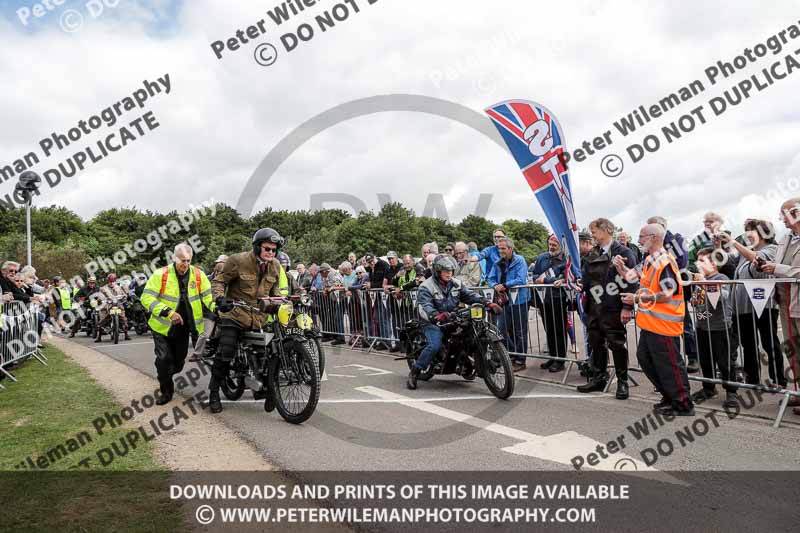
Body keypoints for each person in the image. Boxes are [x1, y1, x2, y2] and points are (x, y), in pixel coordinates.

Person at [618, 223, 694, 416]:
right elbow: (634, 279)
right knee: (645, 359)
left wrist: (636, 299)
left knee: (670, 365)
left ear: (653, 238)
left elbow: (667, 294)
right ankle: (669, 396)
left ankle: (683, 404)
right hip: (651, 324)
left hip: (664, 325)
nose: (639, 240)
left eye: (642, 236)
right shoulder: (649, 260)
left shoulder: (664, 261)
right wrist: (620, 268)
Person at [210, 228, 284, 413]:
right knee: (226, 351)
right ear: (257, 246)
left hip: (258, 317)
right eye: (267, 249)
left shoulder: (275, 265)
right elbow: (219, 281)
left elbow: (275, 292)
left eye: (274, 250)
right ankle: (214, 393)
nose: (271, 253)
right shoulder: (238, 260)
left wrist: (280, 303)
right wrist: (220, 299)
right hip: (235, 313)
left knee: (270, 352)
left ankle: (269, 390)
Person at [140, 243, 215, 405]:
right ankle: (166, 391)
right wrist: (168, 312)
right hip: (161, 327)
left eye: (188, 261)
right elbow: (146, 298)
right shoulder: (161, 274)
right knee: (164, 359)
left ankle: (165, 372)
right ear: (174, 258)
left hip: (183, 328)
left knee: (178, 364)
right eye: (182, 260)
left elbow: (209, 298)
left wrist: (218, 308)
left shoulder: (198, 275)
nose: (185, 264)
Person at [408, 255, 497, 389]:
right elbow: (425, 307)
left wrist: (488, 303)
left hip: (452, 317)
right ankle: (415, 371)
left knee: (470, 334)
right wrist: (436, 315)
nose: (449, 273)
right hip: (432, 321)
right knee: (434, 346)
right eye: (445, 270)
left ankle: (468, 363)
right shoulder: (426, 286)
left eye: (451, 270)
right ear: (437, 271)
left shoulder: (456, 283)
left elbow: (470, 296)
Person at [578, 218, 637, 399]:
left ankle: (622, 382)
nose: (592, 235)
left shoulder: (624, 252)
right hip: (593, 306)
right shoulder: (593, 253)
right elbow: (587, 278)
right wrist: (580, 285)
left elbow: (631, 280)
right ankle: (599, 378)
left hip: (613, 306)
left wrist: (627, 307)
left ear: (605, 230)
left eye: (594, 232)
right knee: (596, 343)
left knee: (616, 344)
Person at [722, 219, 785, 389]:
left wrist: (733, 242)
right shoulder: (745, 252)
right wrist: (720, 247)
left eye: (751, 231)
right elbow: (730, 263)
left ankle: (778, 380)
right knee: (748, 344)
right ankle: (752, 379)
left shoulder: (772, 249)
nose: (748, 235)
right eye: (747, 231)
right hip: (743, 307)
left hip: (764, 303)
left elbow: (758, 260)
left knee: (769, 343)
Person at [762, 198, 800, 415]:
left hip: (797, 300)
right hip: (785, 301)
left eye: (784, 214)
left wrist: (778, 268)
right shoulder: (786, 238)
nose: (781, 219)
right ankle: (798, 390)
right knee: (793, 349)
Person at [647, 215, 697, 372]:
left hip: (674, 291)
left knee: (685, 325)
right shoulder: (650, 244)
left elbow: (681, 262)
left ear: (661, 226)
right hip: (657, 292)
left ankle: (693, 357)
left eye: (651, 227)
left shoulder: (676, 240)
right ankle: (668, 359)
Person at [691, 248, 738, 408]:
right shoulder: (700, 280)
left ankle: (731, 391)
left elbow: (721, 297)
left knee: (724, 361)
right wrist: (695, 296)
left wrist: (703, 283)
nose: (698, 264)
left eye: (702, 261)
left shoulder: (721, 278)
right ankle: (708, 388)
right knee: (705, 360)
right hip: (702, 325)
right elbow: (696, 301)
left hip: (719, 326)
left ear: (713, 264)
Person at [488, 237, 530, 371]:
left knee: (520, 331)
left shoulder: (520, 260)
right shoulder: (497, 262)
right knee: (500, 330)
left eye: (503, 248)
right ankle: (512, 352)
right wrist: (495, 285)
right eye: (499, 248)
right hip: (504, 301)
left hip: (519, 300)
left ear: (511, 249)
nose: (500, 251)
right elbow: (490, 278)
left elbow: (521, 279)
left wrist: (505, 285)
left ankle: (520, 360)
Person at [529, 235, 568, 373]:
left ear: (560, 246)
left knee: (559, 329)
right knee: (549, 329)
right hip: (543, 298)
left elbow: (565, 277)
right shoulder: (542, 257)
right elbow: (534, 275)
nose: (551, 247)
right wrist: (542, 279)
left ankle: (560, 360)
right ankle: (552, 356)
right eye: (550, 244)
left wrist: (545, 280)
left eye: (554, 245)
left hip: (558, 298)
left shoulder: (565, 258)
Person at [95, 273, 131, 342]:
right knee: (102, 319)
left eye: (113, 281)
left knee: (124, 319)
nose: (111, 283)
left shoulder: (119, 288)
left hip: (118, 305)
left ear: (115, 281)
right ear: (108, 281)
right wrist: (100, 299)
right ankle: (99, 336)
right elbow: (100, 296)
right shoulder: (103, 288)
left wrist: (125, 297)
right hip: (107, 305)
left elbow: (124, 295)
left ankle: (126, 335)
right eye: (110, 281)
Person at [365, 253, 391, 349]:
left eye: (372, 261)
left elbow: (386, 281)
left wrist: (371, 285)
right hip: (376, 296)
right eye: (369, 262)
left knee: (384, 319)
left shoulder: (383, 264)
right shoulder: (371, 268)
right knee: (378, 319)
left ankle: (387, 342)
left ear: (375, 258)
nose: (371, 263)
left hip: (384, 296)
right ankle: (382, 340)